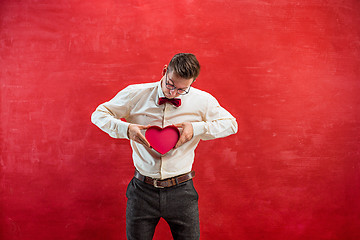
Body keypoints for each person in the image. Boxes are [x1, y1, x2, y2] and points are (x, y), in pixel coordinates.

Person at [91, 53, 238, 240]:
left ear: (192, 83)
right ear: (164, 71)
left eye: (182, 89)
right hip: (142, 191)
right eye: (170, 84)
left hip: (182, 191)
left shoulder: (202, 100)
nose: (173, 93)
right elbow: (98, 114)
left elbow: (231, 124)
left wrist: (196, 128)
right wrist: (126, 129)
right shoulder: (135, 94)